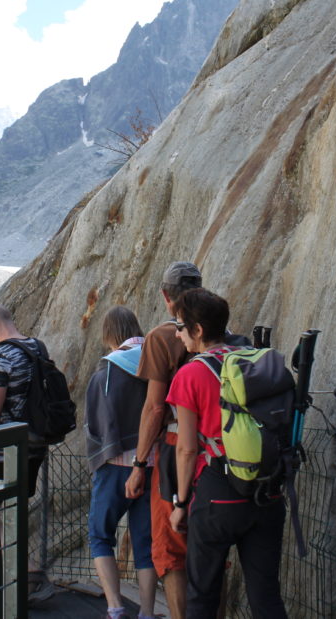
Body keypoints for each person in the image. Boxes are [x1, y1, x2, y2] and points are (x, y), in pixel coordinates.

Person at [167, 289, 287, 618]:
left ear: (198, 330)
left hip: (218, 496)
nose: (177, 333)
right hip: (267, 493)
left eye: (179, 326)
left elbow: (187, 449)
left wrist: (179, 504)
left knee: (202, 597)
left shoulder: (189, 375)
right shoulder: (254, 362)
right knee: (266, 597)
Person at [124, 261, 203, 618]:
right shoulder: (224, 333)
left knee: (171, 549)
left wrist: (139, 465)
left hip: (175, 451)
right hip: (218, 453)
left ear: (165, 296)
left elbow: (155, 409)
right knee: (207, 548)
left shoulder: (162, 337)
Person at [0, 303, 55, 605]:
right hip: (35, 446)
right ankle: (27, 580)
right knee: (14, 512)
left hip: (6, 452)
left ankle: (14, 587)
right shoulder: (37, 346)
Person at [85, 306, 157, 619]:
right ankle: (147, 611)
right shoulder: (159, 360)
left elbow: (97, 423)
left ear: (110, 334)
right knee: (145, 540)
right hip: (152, 463)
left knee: (101, 534)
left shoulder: (109, 369)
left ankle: (115, 607)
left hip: (115, 464)